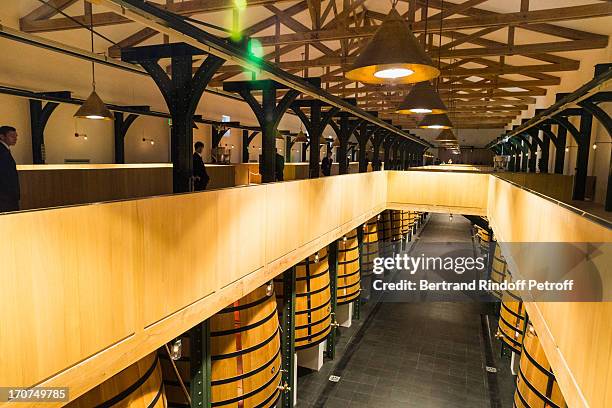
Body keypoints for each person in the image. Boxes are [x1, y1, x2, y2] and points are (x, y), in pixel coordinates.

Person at [0, 126, 20, 212]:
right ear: (2, 136)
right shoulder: (2, 151)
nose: (15, 138)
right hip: (5, 194)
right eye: (12, 136)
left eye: (16, 136)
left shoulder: (4, 150)